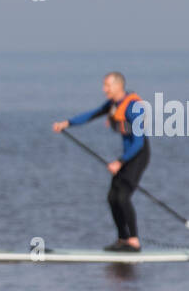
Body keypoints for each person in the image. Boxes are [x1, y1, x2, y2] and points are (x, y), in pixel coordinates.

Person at [53, 72, 149, 251]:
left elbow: (139, 142)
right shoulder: (114, 104)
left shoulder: (134, 107)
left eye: (107, 86)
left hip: (138, 155)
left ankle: (134, 241)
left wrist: (120, 162)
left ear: (119, 86)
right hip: (126, 156)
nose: (104, 89)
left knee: (123, 196)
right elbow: (92, 114)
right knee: (112, 197)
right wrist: (66, 123)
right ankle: (122, 239)